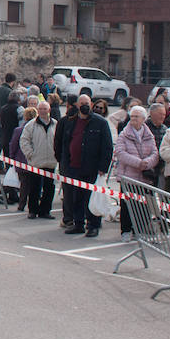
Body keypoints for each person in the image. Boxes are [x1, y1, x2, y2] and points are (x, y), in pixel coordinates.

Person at [62, 94, 113, 237]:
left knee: (91, 198)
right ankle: (78, 224)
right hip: (74, 167)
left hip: (92, 168)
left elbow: (107, 147)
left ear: (91, 105)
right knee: (76, 198)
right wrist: (64, 163)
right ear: (77, 105)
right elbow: (65, 143)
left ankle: (93, 225)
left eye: (87, 103)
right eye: (81, 103)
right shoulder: (71, 121)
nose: (84, 105)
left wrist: (103, 167)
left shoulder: (100, 123)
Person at [112, 105, 159, 241]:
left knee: (143, 206)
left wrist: (147, 163)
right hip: (128, 177)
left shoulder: (149, 135)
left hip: (144, 178)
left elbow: (155, 153)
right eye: (132, 116)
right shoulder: (124, 134)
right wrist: (138, 163)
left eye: (136, 117)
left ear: (143, 119)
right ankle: (126, 230)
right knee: (127, 205)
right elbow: (120, 153)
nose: (133, 119)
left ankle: (139, 230)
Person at [19, 99, 58, 218]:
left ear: (49, 110)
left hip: (51, 162)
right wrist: (30, 154)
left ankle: (45, 211)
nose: (42, 111)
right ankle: (33, 210)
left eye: (44, 109)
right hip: (36, 162)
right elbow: (24, 140)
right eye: (40, 109)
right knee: (34, 188)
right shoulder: (31, 125)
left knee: (49, 188)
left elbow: (60, 140)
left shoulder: (55, 124)